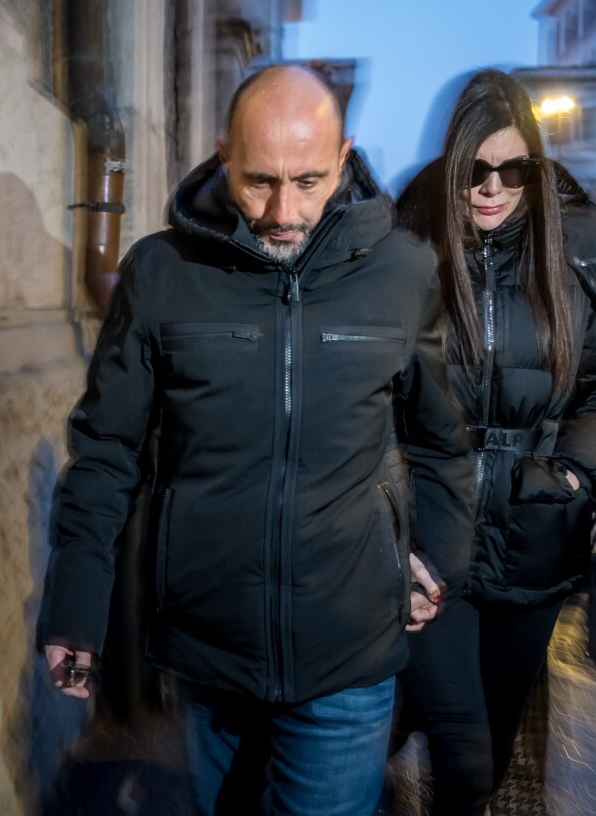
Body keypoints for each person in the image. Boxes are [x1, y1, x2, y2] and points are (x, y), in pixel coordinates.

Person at [35, 64, 475, 816]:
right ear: (222, 154)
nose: (283, 211)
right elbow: (107, 448)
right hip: (208, 651)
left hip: (349, 650)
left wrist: (436, 553)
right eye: (260, 180)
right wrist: (76, 599)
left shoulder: (402, 272)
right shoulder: (162, 271)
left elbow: (441, 441)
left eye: (308, 181)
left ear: (345, 158)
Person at [392, 68, 596, 815]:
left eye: (514, 169)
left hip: (535, 535)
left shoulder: (578, 253)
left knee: (494, 751)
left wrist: (575, 476)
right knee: (464, 755)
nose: (492, 188)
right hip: (433, 533)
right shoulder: (408, 252)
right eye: (474, 170)